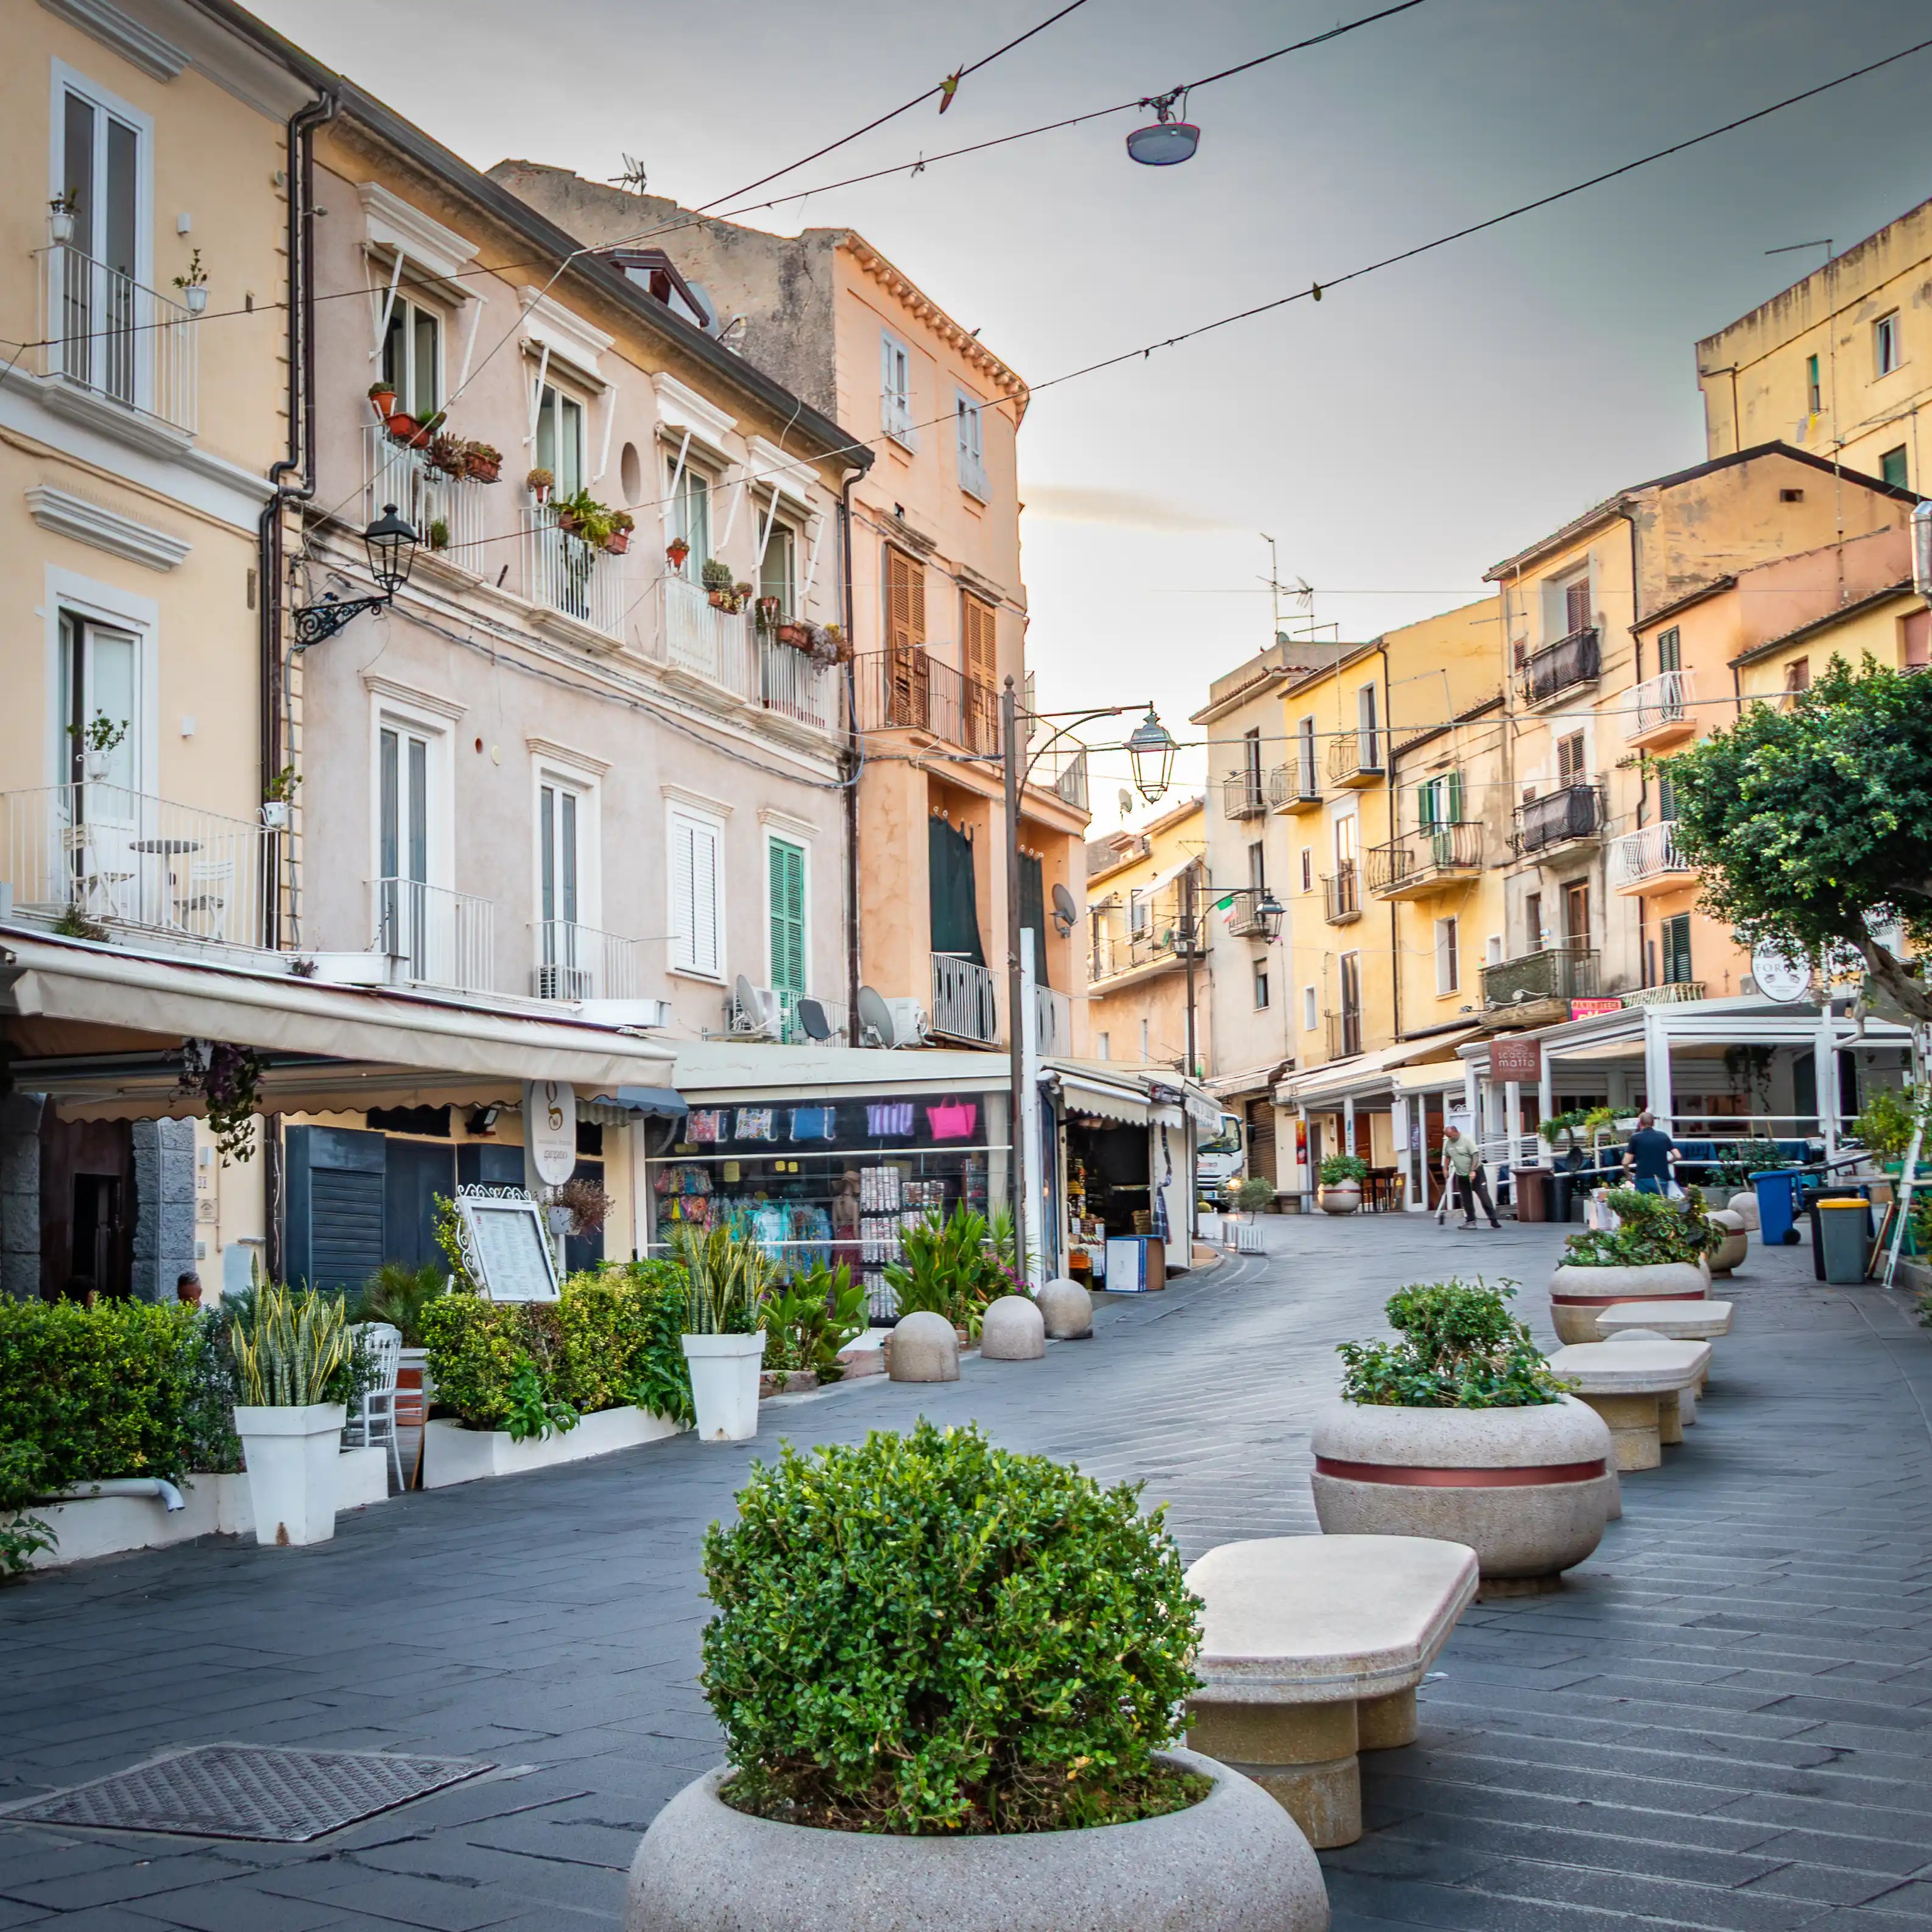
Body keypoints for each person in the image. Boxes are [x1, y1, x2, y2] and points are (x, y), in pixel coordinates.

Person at [1441, 1125, 1501, 1230]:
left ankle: (1493, 1220)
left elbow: (1475, 1155)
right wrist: (1445, 1169)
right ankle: (1471, 1221)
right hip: (1461, 1174)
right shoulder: (1448, 1143)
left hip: (1476, 1172)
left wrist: (1473, 1171)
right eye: (1447, 1136)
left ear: (1455, 1132)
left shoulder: (1466, 1139)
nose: (1449, 1138)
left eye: (1450, 1136)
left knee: (1483, 1196)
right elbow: (1447, 1156)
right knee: (1466, 1198)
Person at [1623, 1112, 1678, 1195]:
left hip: (1643, 1178)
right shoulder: (1663, 1136)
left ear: (1640, 1123)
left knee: (1644, 1206)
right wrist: (1669, 1161)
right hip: (1661, 1178)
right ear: (1653, 1123)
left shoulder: (1635, 1138)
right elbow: (1678, 1155)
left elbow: (1626, 1162)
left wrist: (1628, 1176)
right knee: (1661, 1205)